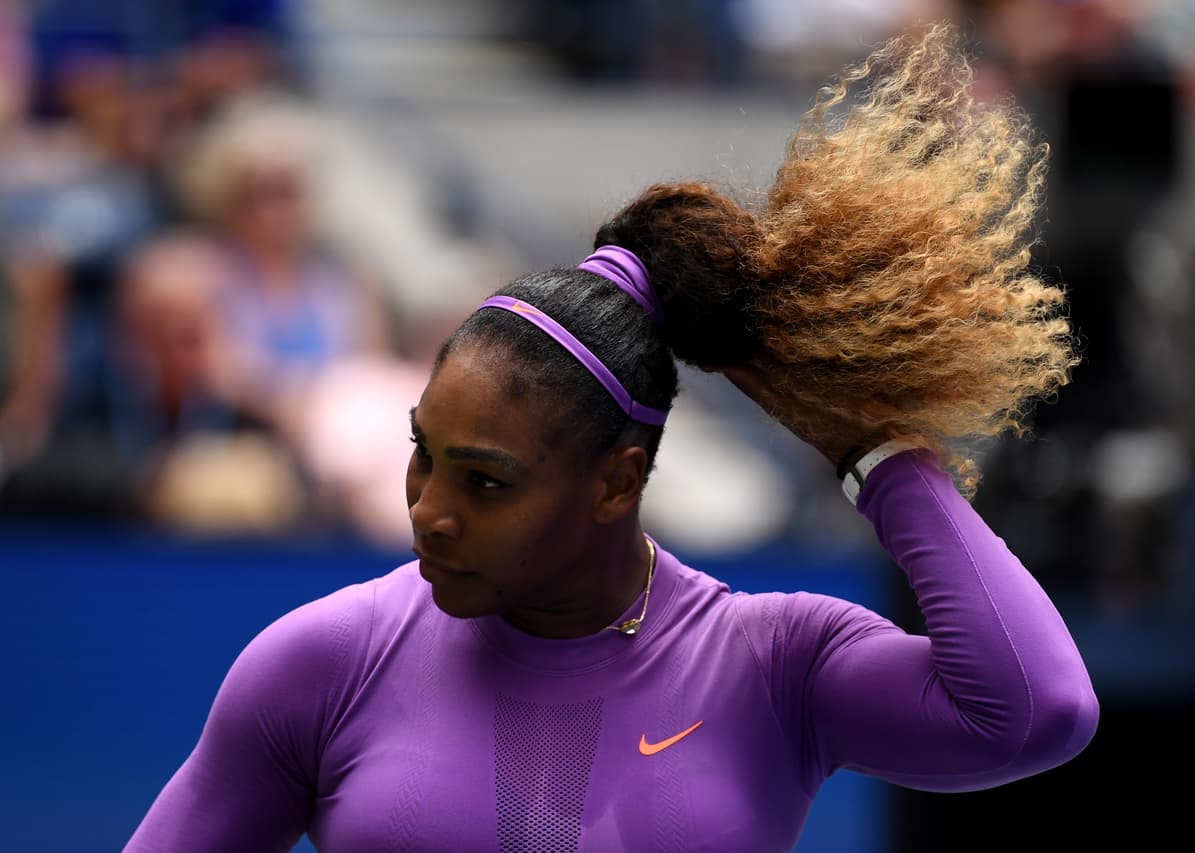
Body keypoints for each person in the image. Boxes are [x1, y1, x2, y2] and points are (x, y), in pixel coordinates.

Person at [123, 24, 1098, 852]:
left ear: (615, 480)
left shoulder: (771, 663)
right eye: (424, 452)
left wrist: (879, 456)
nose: (428, 512)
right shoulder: (323, 662)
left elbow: (1033, 712)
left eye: (487, 482)